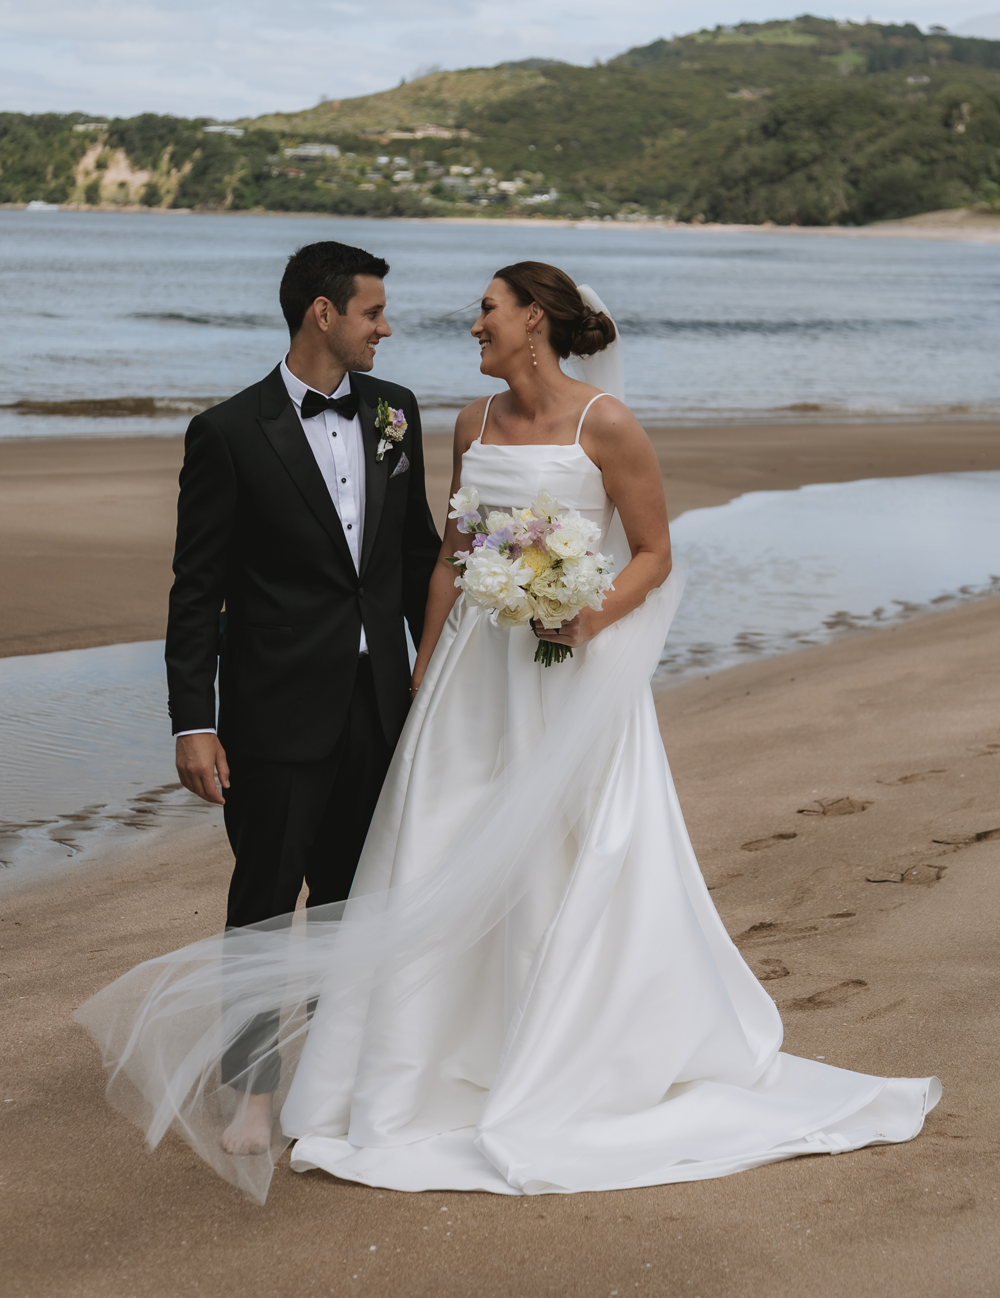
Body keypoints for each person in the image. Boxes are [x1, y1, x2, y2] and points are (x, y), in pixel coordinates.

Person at [78, 261, 938, 1202]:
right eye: (376, 312)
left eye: (485, 308)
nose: (420, 326)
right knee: (327, 882)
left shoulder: (428, 413)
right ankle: (269, 1086)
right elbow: (420, 561)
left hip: (531, 682)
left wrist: (571, 618)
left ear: (535, 320)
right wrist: (382, 680)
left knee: (421, 883)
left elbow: (624, 552)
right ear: (325, 314)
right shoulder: (350, 427)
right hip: (388, 694)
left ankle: (498, 1051)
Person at [163, 239, 440, 1156]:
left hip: (378, 707)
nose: (385, 327)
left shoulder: (397, 413)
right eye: (372, 312)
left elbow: (415, 559)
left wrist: (482, 626)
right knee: (265, 906)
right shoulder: (229, 432)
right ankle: (249, 1098)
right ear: (324, 313)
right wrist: (193, 721)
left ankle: (332, 1081)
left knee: (357, 908)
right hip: (274, 714)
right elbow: (196, 589)